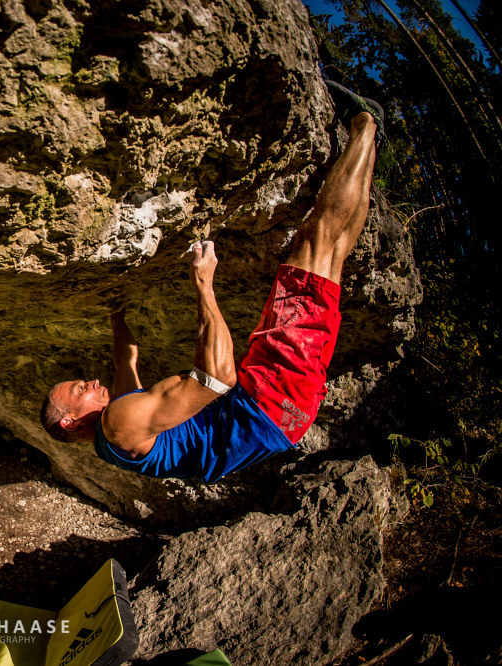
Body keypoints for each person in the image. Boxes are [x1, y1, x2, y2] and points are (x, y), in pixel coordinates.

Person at [40, 83, 383, 483]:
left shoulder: (115, 436)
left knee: (332, 252)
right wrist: (204, 284)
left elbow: (125, 359)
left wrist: (116, 309)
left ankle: (370, 139)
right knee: (314, 242)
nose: (91, 381)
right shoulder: (117, 422)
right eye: (80, 388)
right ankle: (365, 122)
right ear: (69, 421)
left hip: (281, 414)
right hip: (267, 399)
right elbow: (218, 378)